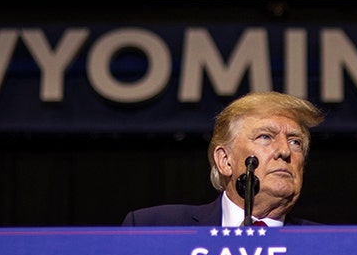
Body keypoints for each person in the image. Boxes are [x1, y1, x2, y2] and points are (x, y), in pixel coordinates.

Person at [122, 91, 325, 227]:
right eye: (265, 137)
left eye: (295, 142)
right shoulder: (154, 228)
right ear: (225, 160)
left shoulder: (329, 247)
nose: (284, 151)